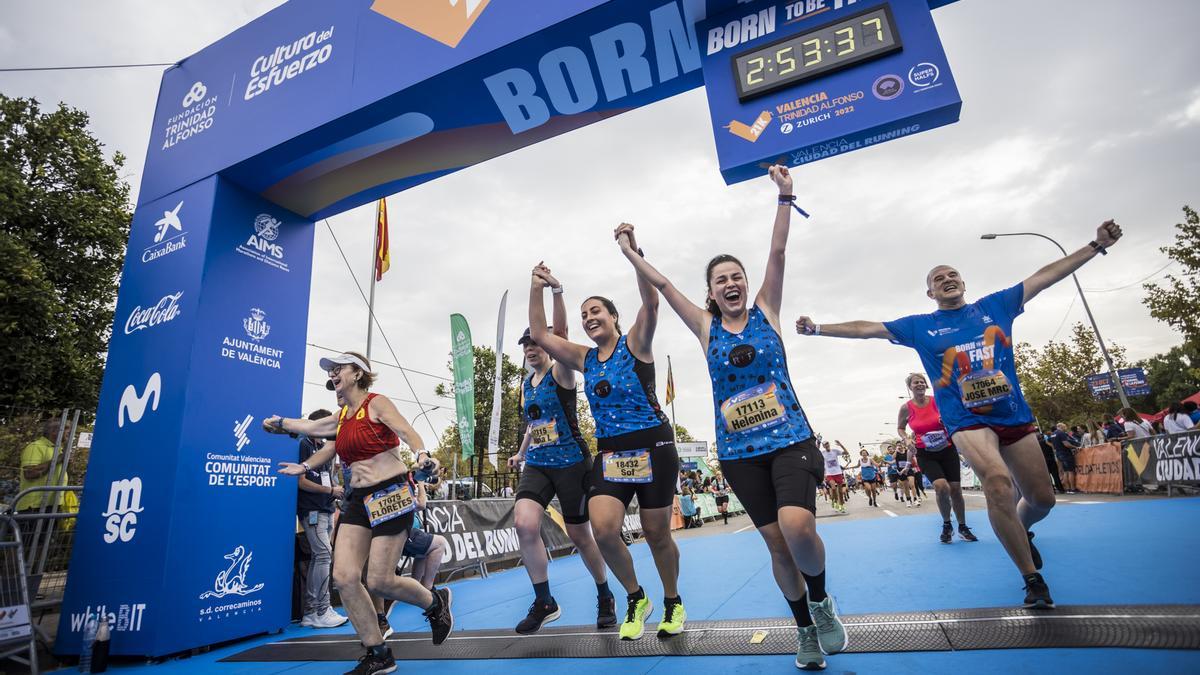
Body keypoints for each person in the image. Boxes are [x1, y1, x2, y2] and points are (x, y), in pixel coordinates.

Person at [795, 219, 1125, 609]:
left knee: (1041, 500)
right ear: (930, 292)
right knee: (998, 481)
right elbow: (867, 328)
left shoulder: (996, 306)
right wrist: (818, 328)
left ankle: (1022, 529)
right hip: (966, 420)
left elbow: (1045, 276)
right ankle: (1032, 580)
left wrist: (1096, 245)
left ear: (963, 284)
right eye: (939, 278)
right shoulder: (921, 327)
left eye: (953, 275)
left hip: (1012, 416)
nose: (947, 279)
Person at [613, 166, 847, 670]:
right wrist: (632, 252)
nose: (732, 283)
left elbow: (778, 253)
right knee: (777, 548)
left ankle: (822, 601)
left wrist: (786, 196)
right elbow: (664, 284)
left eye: (737, 276)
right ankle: (804, 630)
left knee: (797, 527)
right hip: (740, 455)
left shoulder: (766, 310)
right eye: (722, 280)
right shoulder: (704, 327)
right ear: (712, 293)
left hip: (790, 441)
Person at [528, 242, 685, 642]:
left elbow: (651, 303)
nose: (588, 318)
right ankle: (635, 598)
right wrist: (537, 287)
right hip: (612, 452)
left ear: (614, 317)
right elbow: (542, 335)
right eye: (584, 316)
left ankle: (672, 601)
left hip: (655, 447)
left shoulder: (636, 345)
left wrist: (633, 253)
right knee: (603, 528)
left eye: (596, 311)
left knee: (656, 533)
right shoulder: (585, 358)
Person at [268, 352, 453, 674]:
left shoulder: (376, 403)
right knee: (344, 577)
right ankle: (378, 652)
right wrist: (286, 432)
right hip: (358, 500)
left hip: (390, 493)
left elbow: (407, 431)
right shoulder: (341, 417)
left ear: (358, 374)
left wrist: (422, 454)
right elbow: (315, 430)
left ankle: (435, 604)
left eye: (339, 368)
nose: (334, 373)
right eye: (332, 370)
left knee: (380, 580)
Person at [507, 309, 615, 635]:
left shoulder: (562, 373)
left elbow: (563, 336)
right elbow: (534, 424)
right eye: (525, 344)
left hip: (571, 463)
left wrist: (555, 292)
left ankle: (604, 593)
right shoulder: (526, 385)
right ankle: (544, 601)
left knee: (581, 536)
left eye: (535, 343)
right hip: (539, 463)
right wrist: (521, 452)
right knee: (524, 524)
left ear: (547, 345)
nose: (530, 349)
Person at [898, 373, 976, 544]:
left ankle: (962, 526)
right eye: (915, 382)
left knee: (955, 489)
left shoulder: (937, 401)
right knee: (941, 486)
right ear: (910, 387)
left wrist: (947, 420)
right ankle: (947, 524)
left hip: (947, 449)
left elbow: (954, 416)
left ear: (926, 385)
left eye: (922, 382)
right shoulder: (906, 408)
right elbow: (900, 428)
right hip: (925, 453)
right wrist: (907, 439)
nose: (919, 384)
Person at [296, 409, 349, 629]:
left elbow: (329, 477)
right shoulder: (304, 445)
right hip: (312, 510)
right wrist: (329, 491)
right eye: (326, 426)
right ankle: (320, 609)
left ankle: (312, 611)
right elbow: (301, 481)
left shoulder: (325, 447)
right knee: (324, 556)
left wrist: (334, 493)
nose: (330, 431)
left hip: (326, 509)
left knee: (323, 557)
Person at [402, 476, 450, 590]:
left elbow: (434, 485)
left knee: (423, 550)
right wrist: (421, 484)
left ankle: (415, 587)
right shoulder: (397, 482)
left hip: (400, 532)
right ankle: (427, 589)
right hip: (402, 532)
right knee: (440, 543)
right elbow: (421, 504)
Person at [1049, 423, 1079, 494]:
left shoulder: (1053, 434)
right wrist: (1075, 447)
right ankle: (1073, 489)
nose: (1065, 428)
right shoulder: (1061, 433)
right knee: (1070, 471)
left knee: (1065, 471)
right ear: (1061, 427)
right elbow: (1066, 444)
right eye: (1064, 427)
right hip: (1065, 453)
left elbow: (1050, 443)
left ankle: (1067, 489)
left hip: (1058, 453)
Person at [1037, 430, 1066, 494]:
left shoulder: (1037, 444)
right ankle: (1060, 489)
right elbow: (1054, 448)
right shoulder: (1048, 442)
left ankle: (1052, 490)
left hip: (1044, 461)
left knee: (1048, 476)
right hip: (1051, 459)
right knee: (1055, 475)